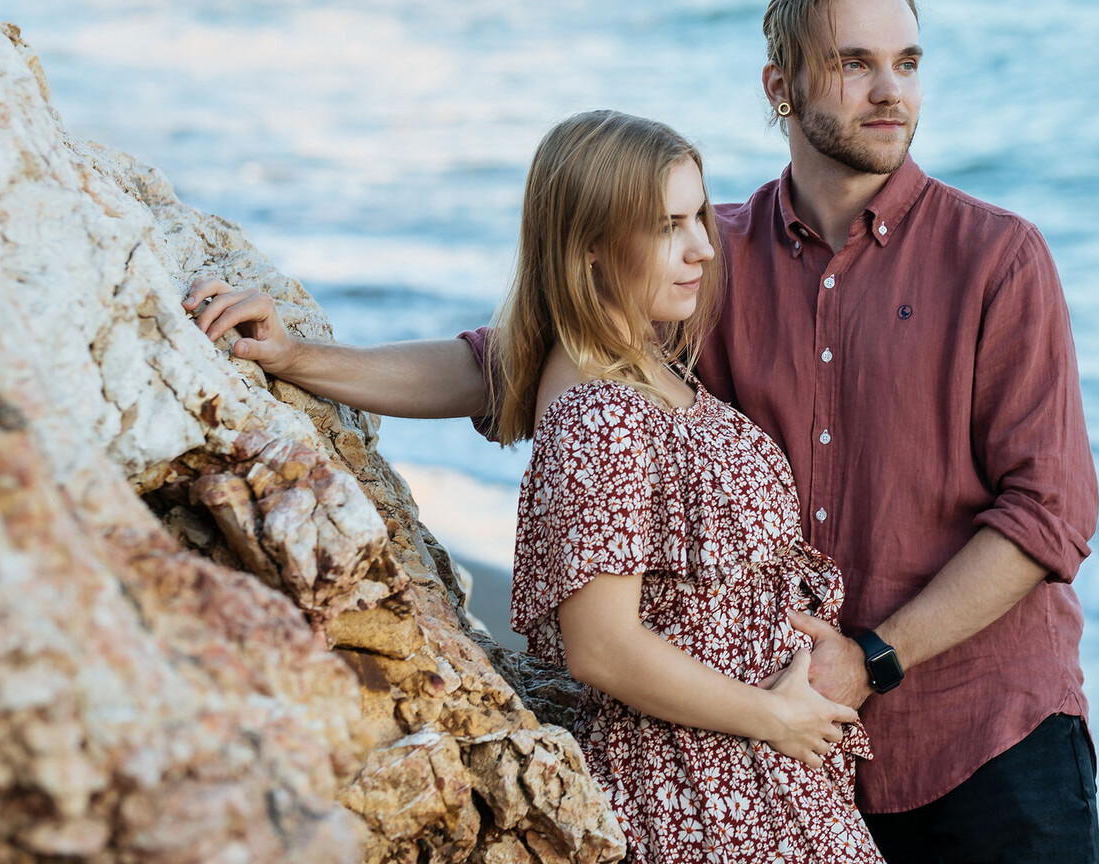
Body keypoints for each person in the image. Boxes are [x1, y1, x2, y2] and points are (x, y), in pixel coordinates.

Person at [191, 0, 1099, 863]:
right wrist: (297, 358)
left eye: (907, 63)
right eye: (855, 63)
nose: (889, 92)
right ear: (780, 87)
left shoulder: (998, 260)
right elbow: (504, 363)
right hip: (779, 759)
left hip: (987, 736)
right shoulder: (713, 260)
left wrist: (874, 656)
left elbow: (1047, 515)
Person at [187, 111, 886, 863]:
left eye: (698, 217)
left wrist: (299, 356)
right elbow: (602, 648)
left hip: (763, 780)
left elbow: (485, 365)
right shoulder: (600, 413)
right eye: (669, 226)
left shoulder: (637, 362)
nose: (703, 248)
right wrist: (773, 719)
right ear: (590, 246)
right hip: (708, 792)